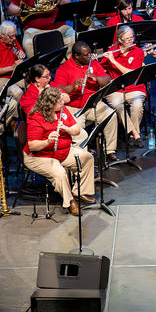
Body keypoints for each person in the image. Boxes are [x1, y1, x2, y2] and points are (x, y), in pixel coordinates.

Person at [23, 85, 95, 216]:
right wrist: (48, 141)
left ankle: (79, 191)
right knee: (60, 173)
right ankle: (70, 201)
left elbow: (76, 129)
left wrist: (66, 129)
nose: (63, 103)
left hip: (62, 151)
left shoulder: (62, 110)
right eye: (59, 101)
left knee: (87, 158)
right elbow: (33, 146)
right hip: (40, 156)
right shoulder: (35, 117)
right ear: (50, 104)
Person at [53, 41, 117, 159]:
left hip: (92, 104)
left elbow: (107, 79)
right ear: (76, 56)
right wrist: (73, 87)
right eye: (86, 54)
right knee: (78, 131)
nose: (89, 56)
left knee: (111, 115)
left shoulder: (92, 63)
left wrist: (96, 79)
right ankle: (83, 158)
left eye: (89, 53)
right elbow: (58, 90)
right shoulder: (64, 68)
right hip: (73, 106)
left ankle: (110, 150)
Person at [101, 25, 145, 144]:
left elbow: (132, 74)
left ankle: (132, 134)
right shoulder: (111, 52)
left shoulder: (138, 52)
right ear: (120, 40)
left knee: (137, 105)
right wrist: (95, 60)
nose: (131, 41)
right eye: (127, 39)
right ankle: (136, 133)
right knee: (117, 104)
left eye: (132, 38)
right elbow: (100, 69)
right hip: (116, 89)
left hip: (135, 87)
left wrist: (113, 61)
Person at [0, 21, 27, 102]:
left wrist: (20, 53)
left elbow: (18, 50)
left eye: (15, 35)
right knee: (17, 92)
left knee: (32, 81)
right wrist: (12, 67)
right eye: (11, 36)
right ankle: (21, 113)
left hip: (14, 73)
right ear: (2, 35)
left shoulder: (11, 39)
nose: (14, 38)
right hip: (0, 78)